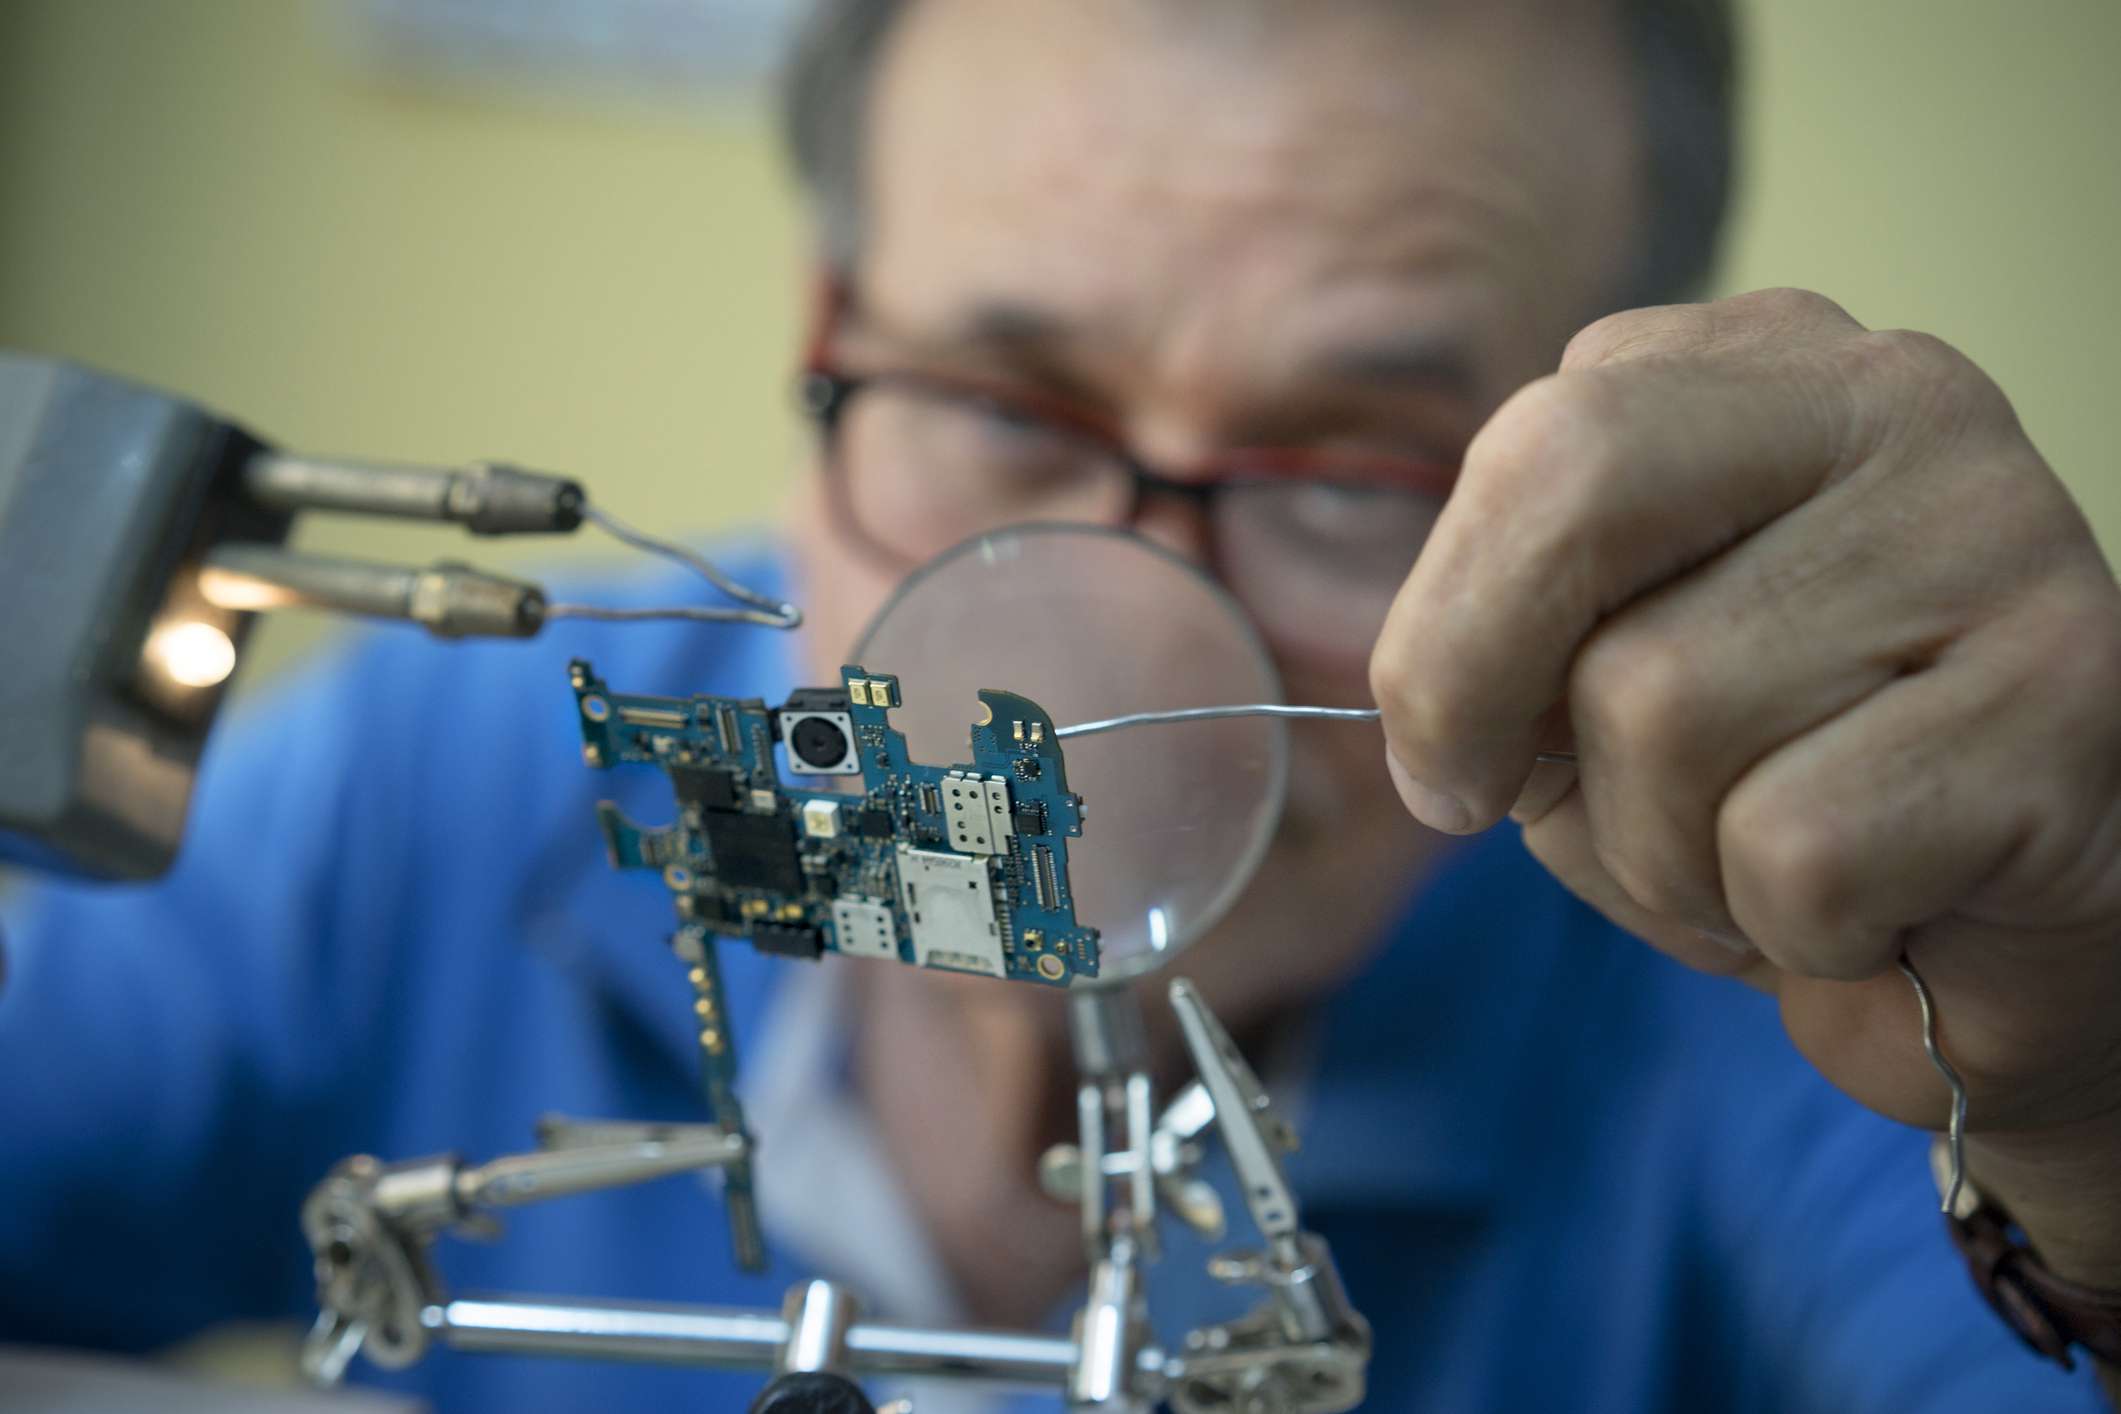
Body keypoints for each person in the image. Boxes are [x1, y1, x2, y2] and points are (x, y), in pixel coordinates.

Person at [5, 0, 2119, 1409]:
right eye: (1003, 412)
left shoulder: (1750, 963)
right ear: (832, 340)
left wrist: (2089, 1086)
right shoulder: (458, 793)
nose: (1107, 649)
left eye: (1340, 474)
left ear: (1598, 505)